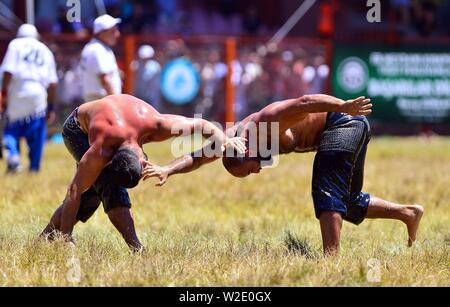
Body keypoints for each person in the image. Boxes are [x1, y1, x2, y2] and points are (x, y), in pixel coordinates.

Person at [144, 94, 424, 255]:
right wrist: (168, 168)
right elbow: (198, 156)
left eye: (251, 168)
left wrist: (342, 107)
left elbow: (305, 102)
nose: (257, 172)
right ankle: (408, 213)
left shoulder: (267, 121)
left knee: (326, 191)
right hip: (341, 129)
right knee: (347, 202)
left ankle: (331, 263)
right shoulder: (234, 139)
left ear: (250, 150)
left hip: (343, 121)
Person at [40, 94, 246, 252]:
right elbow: (74, 190)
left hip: (119, 120)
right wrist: (67, 237)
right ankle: (136, 248)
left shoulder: (157, 124)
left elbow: (202, 125)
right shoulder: (100, 150)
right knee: (107, 186)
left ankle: (47, 237)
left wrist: (224, 140)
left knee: (94, 191)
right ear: (143, 160)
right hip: (77, 129)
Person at [0, 24, 57, 173]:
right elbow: (52, 84)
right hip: (38, 92)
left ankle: (13, 156)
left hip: (18, 90)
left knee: (11, 130)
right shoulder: (45, 50)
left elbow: (8, 71)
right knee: (37, 134)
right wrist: (50, 106)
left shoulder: (15, 44)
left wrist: (4, 93)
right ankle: (34, 168)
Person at [79, 14, 122, 101]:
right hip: (102, 100)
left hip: (99, 100)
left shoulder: (97, 47)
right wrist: (116, 102)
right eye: (113, 31)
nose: (117, 34)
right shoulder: (97, 49)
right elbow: (104, 79)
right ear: (101, 33)